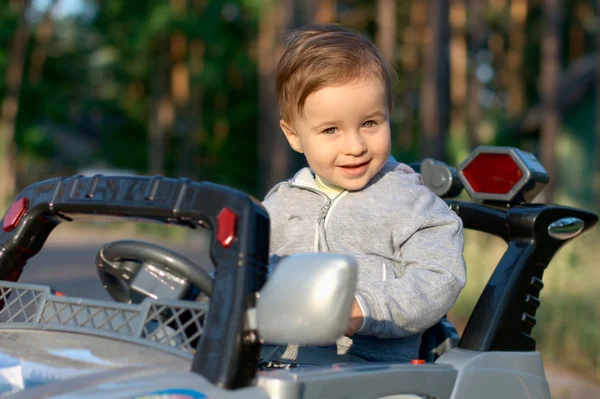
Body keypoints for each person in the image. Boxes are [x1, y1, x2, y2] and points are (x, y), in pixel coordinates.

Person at [260, 24, 466, 366]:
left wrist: (362, 308)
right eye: (331, 130)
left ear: (388, 111)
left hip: (371, 374)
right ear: (293, 135)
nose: (355, 146)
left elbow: (439, 278)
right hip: (273, 368)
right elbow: (247, 275)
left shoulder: (412, 204)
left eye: (370, 124)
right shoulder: (279, 205)